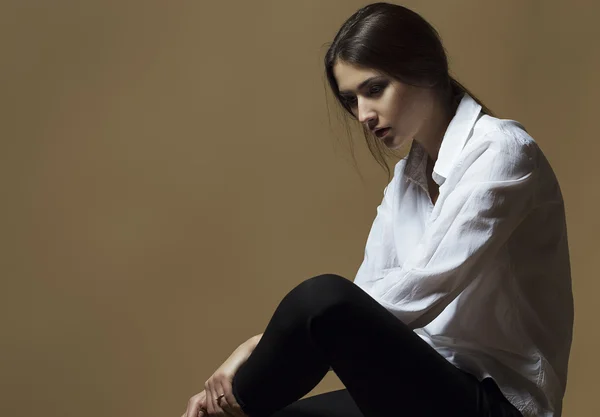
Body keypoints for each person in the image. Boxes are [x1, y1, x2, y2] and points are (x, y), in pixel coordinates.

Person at [182, 3, 574, 417]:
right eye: (351, 99)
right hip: (420, 386)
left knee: (321, 297)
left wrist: (255, 348)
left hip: (496, 403)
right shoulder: (408, 177)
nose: (363, 115)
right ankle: (230, 409)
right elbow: (366, 298)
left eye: (374, 89)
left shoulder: (503, 153)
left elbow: (410, 294)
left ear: (425, 68)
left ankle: (231, 407)